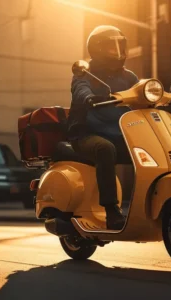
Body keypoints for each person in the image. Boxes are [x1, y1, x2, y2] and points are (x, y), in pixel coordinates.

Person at [66, 25, 139, 230]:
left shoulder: (128, 77)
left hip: (119, 134)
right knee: (105, 149)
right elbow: (80, 89)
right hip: (85, 135)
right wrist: (88, 97)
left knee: (149, 150)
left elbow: (141, 90)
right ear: (97, 50)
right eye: (111, 47)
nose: (117, 52)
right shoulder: (85, 73)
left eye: (120, 46)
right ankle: (112, 212)